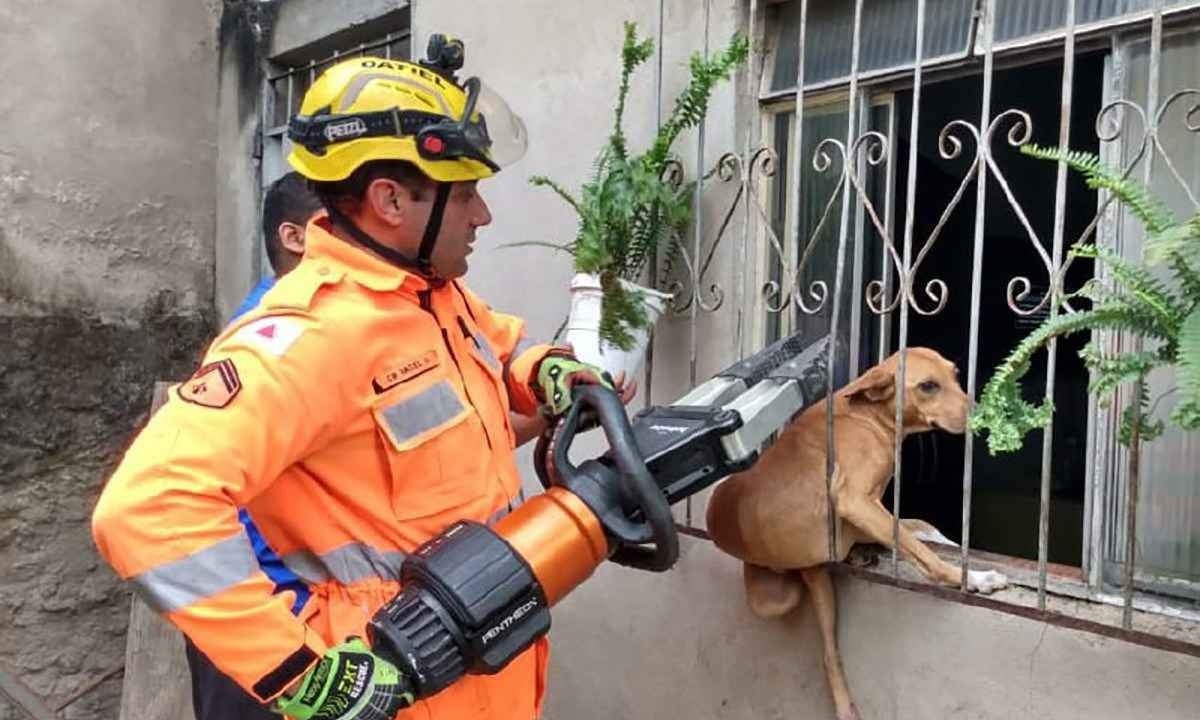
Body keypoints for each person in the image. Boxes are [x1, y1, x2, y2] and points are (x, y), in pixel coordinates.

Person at [93, 44, 624, 720]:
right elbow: (147, 511)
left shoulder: (430, 297)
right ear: (390, 200)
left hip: (481, 655)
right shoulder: (311, 337)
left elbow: (498, 344)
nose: (482, 216)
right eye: (465, 194)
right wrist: (298, 672)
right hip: (394, 675)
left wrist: (544, 369)